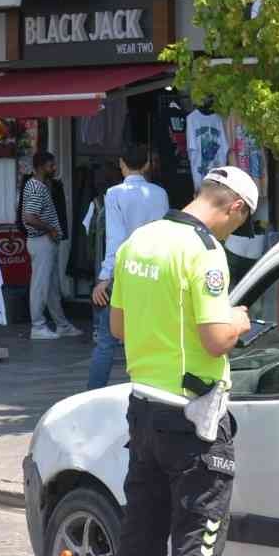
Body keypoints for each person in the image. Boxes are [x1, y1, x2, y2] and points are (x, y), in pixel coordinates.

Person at [106, 165, 257, 556]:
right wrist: (239, 320)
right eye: (241, 223)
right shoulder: (204, 250)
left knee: (139, 539)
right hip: (195, 417)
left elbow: (119, 328)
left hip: (144, 407)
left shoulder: (139, 240)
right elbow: (216, 337)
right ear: (235, 207)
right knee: (198, 543)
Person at [85, 145, 169, 390]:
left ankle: (93, 393)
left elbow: (116, 238)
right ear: (146, 165)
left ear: (122, 164)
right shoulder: (160, 194)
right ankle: (151, 387)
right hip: (155, 271)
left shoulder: (114, 194)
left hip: (123, 271)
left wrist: (104, 276)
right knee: (151, 337)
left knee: (106, 341)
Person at [21, 152, 82, 340]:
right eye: (51, 165)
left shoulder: (39, 186)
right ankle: (37, 326)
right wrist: (50, 229)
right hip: (42, 241)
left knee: (52, 286)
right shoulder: (36, 187)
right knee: (40, 285)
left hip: (45, 241)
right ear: (40, 166)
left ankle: (61, 324)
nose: (54, 169)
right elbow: (29, 217)